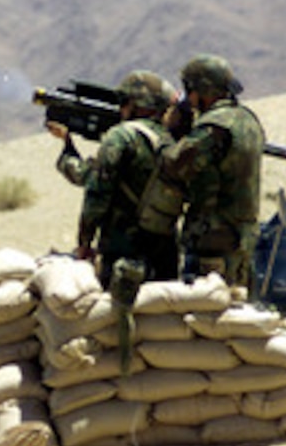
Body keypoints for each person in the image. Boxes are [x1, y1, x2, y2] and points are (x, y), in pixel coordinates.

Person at [47, 70, 180, 287]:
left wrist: (84, 242)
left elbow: (97, 193)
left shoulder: (121, 136)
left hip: (123, 247)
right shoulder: (170, 139)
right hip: (165, 248)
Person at [158, 54, 266, 291]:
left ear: (201, 91)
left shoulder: (213, 127)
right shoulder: (248, 119)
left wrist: (167, 132)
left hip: (214, 242)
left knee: (207, 314)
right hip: (243, 238)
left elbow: (172, 167)